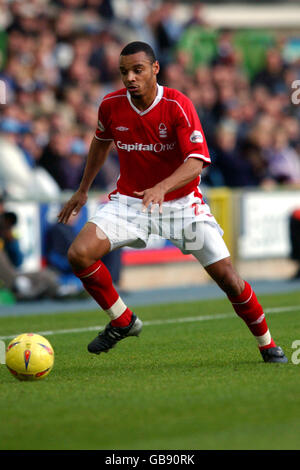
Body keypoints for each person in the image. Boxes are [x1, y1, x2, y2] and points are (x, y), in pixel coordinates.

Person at [58, 41, 287, 363]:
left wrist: (162, 188)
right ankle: (122, 320)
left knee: (228, 279)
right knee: (79, 254)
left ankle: (267, 344)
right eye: (124, 72)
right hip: (130, 203)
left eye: (137, 70)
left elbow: (197, 161)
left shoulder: (177, 105)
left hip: (181, 205)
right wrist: (83, 189)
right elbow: (100, 143)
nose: (130, 78)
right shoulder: (110, 105)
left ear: (155, 69)